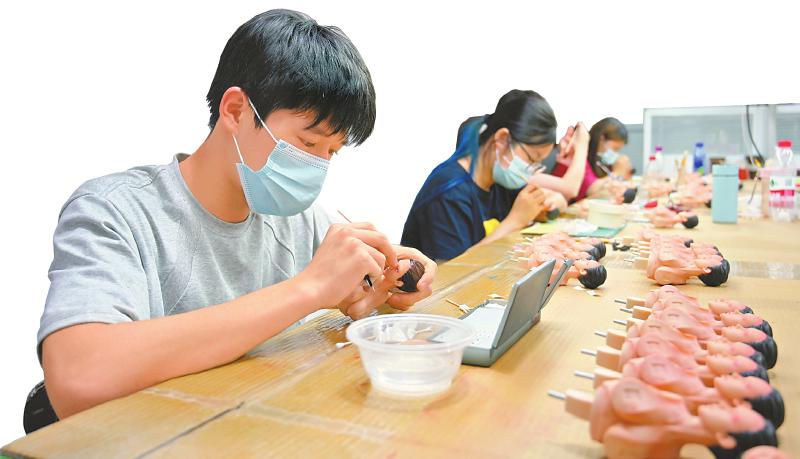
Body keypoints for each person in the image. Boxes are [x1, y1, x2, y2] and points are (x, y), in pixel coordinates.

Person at [38, 9, 436, 420]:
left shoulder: (299, 221)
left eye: (331, 152)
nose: (318, 165)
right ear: (235, 110)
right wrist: (309, 290)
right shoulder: (116, 211)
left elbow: (349, 291)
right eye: (308, 143)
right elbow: (79, 376)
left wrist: (387, 279)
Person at [401, 89, 587, 261]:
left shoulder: (500, 179)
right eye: (531, 159)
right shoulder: (449, 192)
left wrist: (544, 208)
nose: (531, 169)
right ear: (502, 139)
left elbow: (557, 200)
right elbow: (450, 272)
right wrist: (515, 221)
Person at [552, 117, 632, 202]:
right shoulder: (577, 154)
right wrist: (617, 173)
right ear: (602, 138)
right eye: (615, 149)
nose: (615, 154)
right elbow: (591, 189)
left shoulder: (599, 159)